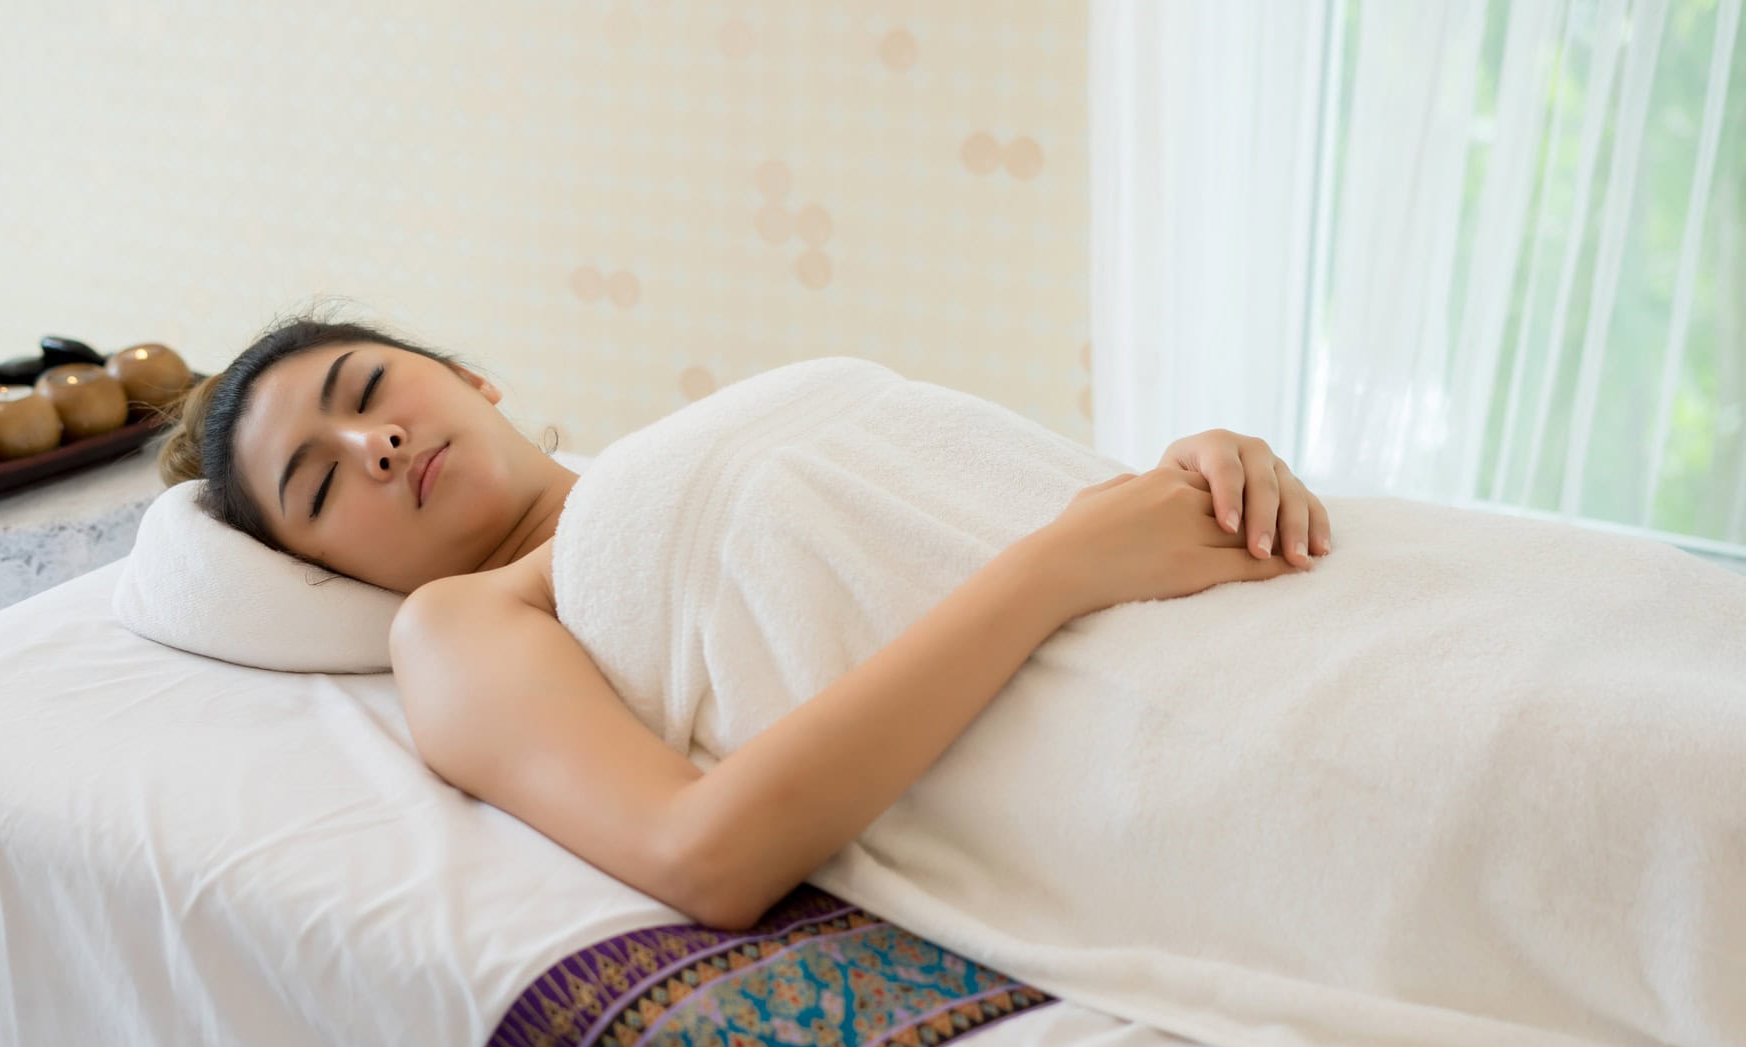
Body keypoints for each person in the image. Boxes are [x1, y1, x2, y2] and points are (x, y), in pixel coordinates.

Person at [156, 315, 1334, 930]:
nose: (374, 447)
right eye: (318, 487)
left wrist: (1193, 470)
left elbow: (951, 499)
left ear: (470, 376)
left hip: (1279, 590)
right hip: (1143, 696)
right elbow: (700, 854)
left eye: (368, 394)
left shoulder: (664, 458)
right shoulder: (458, 624)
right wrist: (1057, 566)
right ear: (333, 570)